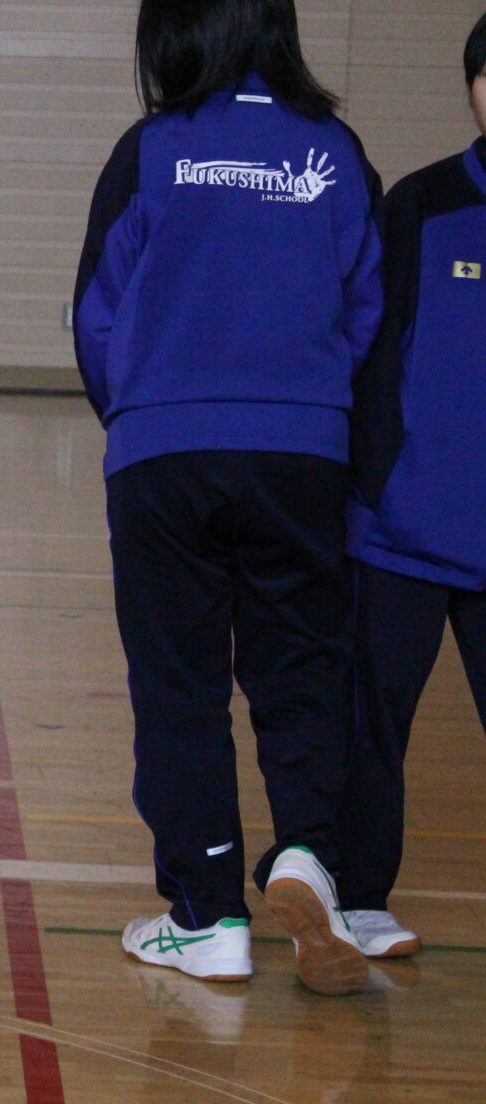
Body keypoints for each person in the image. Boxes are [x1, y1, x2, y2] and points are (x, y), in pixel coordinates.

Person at [72, 0, 384, 995]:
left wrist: (135, 414)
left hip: (165, 448)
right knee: (301, 667)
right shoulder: (334, 155)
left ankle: (209, 916)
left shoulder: (152, 149)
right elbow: (369, 306)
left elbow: (96, 309)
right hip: (301, 451)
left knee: (181, 687)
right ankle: (307, 854)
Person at [338, 10, 486, 961]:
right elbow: (367, 352)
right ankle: (358, 897)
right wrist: (373, 483)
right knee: (370, 726)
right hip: (399, 529)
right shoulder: (420, 203)